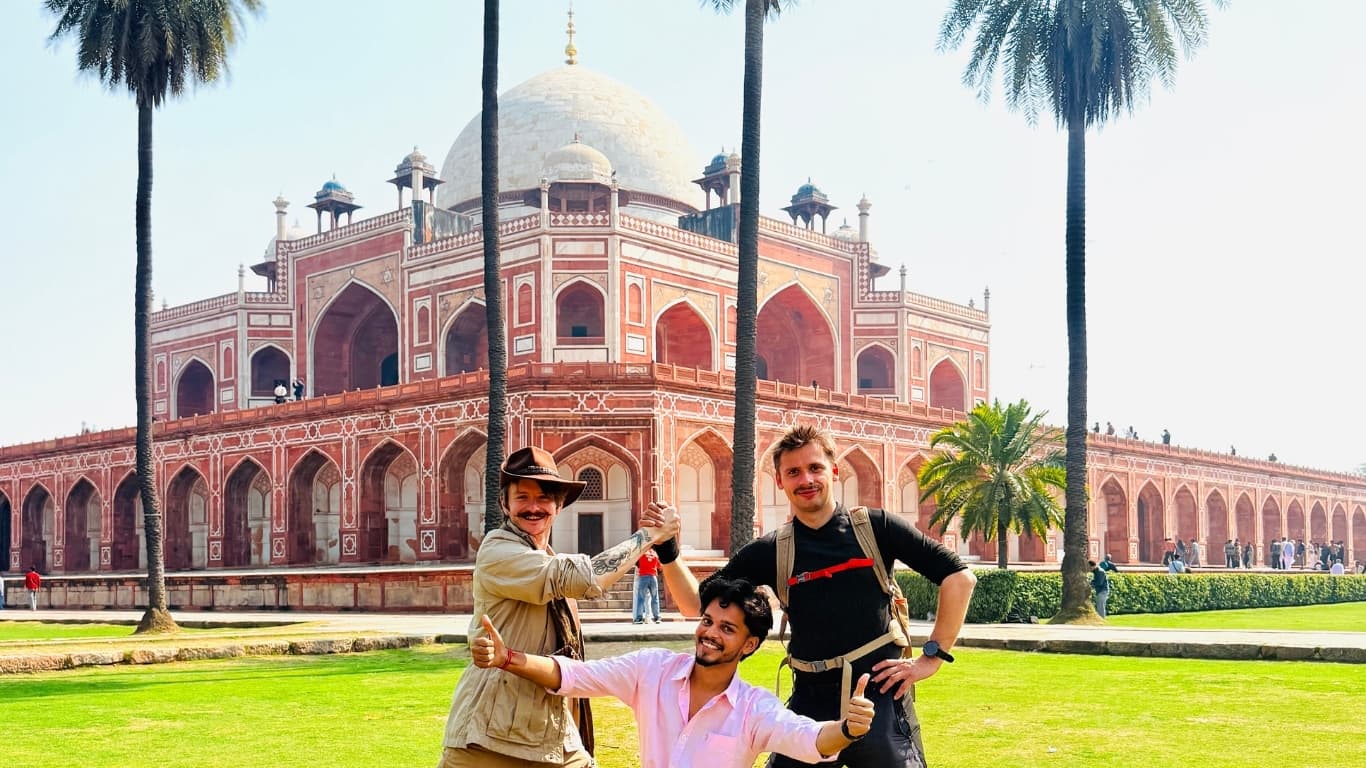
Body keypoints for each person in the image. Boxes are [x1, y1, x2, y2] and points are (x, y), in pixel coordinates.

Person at [674, 424, 977, 768]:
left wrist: (931, 658)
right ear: (779, 481)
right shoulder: (772, 550)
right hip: (810, 705)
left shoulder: (876, 528)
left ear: (834, 470)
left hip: (879, 698)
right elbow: (693, 604)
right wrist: (669, 551)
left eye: (814, 468)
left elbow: (959, 578)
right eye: (793, 472)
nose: (806, 480)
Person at [437, 445, 686, 768]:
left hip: (549, 726)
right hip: (491, 736)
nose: (533, 507)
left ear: (558, 505)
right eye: (522, 497)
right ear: (504, 503)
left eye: (543, 498)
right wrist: (649, 536)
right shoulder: (498, 549)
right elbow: (584, 579)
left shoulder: (546, 556)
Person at [472, 576, 877, 768]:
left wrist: (848, 729)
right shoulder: (654, 670)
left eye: (726, 628)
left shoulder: (753, 708)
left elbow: (807, 738)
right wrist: (507, 658)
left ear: (749, 644)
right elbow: (575, 675)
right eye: (707, 621)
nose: (709, 634)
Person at [633, 547, 661, 624]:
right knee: (655, 598)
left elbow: (637, 563)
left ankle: (639, 618)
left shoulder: (641, 553)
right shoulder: (655, 554)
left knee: (641, 598)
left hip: (643, 577)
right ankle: (657, 617)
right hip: (653, 577)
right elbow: (659, 566)